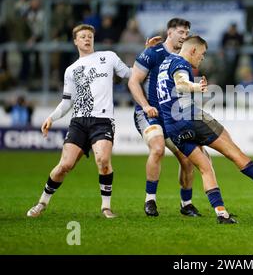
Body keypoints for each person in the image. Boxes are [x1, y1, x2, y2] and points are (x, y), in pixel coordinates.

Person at [157, 36, 253, 224]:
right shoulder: (181, 63)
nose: (202, 58)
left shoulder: (166, 62)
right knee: (232, 150)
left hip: (172, 127)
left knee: (205, 167)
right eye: (202, 54)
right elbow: (181, 82)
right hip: (190, 118)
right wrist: (196, 86)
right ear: (192, 51)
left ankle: (221, 214)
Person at [26, 24, 159, 219]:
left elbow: (132, 74)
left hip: (102, 120)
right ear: (75, 41)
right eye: (83, 36)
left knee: (103, 161)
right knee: (65, 165)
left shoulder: (109, 57)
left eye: (89, 36)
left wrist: (146, 53)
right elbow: (67, 102)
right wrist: (51, 117)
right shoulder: (71, 70)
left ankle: (106, 207)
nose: (87, 39)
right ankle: (41, 203)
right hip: (78, 121)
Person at [128, 18, 201, 217]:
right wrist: (146, 105)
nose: (184, 36)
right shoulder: (153, 52)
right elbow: (133, 81)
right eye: (180, 32)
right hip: (149, 114)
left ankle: (186, 204)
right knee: (158, 148)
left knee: (188, 159)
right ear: (169, 32)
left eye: (187, 33)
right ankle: (150, 201)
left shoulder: (184, 59)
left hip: (173, 118)